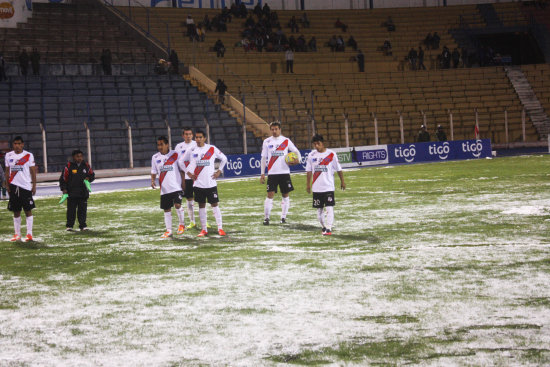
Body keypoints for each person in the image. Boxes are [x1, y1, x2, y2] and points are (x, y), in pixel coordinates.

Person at [186, 130, 228, 237]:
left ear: (205, 138)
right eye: (196, 137)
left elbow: (224, 159)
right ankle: (204, 229)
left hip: (211, 183)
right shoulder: (192, 150)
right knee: (201, 206)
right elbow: (187, 164)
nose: (198, 139)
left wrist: (219, 171)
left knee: (215, 205)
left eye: (200, 137)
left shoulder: (211, 149)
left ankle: (220, 228)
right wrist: (190, 175)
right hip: (198, 184)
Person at [260, 121, 301, 225]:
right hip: (272, 174)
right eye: (272, 129)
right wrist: (262, 174)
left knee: (285, 195)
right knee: (270, 195)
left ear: (280, 129)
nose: (274, 131)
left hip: (284, 172)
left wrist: (298, 160)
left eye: (276, 129)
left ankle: (283, 218)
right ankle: (266, 218)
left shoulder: (286, 141)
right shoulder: (267, 141)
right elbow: (263, 158)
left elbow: (296, 151)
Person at [306, 134, 345, 236]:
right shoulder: (311, 155)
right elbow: (309, 171)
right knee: (319, 210)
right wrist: (308, 184)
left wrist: (342, 181)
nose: (317, 146)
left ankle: (329, 228)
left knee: (329, 207)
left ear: (323, 143)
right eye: (315, 144)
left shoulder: (331, 154)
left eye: (318, 143)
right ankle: (323, 226)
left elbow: (338, 169)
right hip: (316, 187)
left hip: (328, 186)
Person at [151, 136, 186, 238]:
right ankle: (169, 230)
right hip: (165, 189)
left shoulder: (175, 154)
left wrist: (183, 182)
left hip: (176, 187)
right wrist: (152, 180)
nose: (160, 147)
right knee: (166, 209)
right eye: (158, 145)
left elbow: (181, 169)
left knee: (177, 205)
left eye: (162, 144)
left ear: (167, 145)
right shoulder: (155, 157)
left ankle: (181, 224)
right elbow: (153, 171)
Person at [5, 136, 37, 242]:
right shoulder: (8, 155)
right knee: (16, 211)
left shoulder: (28, 155)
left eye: (19, 143)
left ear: (22, 144)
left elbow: (33, 171)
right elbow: (7, 171)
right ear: (13, 145)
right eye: (15, 144)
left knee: (28, 210)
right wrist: (7, 184)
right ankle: (17, 234)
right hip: (13, 186)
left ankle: (29, 234)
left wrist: (34, 185)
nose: (17, 146)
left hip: (26, 187)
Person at [59, 149, 95, 231]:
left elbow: (92, 175)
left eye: (81, 156)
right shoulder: (68, 166)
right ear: (73, 157)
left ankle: (83, 226)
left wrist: (89, 178)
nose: (80, 158)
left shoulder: (86, 165)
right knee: (71, 210)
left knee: (82, 210)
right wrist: (64, 189)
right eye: (77, 156)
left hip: (83, 193)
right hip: (72, 193)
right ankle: (69, 226)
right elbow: (63, 179)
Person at [175, 127, 198, 229]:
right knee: (189, 199)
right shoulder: (178, 147)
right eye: (186, 134)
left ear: (192, 135)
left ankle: (204, 221)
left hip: (197, 176)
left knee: (201, 199)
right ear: (183, 135)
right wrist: (181, 177)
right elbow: (177, 162)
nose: (188, 136)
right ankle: (192, 221)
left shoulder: (196, 144)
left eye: (190, 134)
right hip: (185, 176)